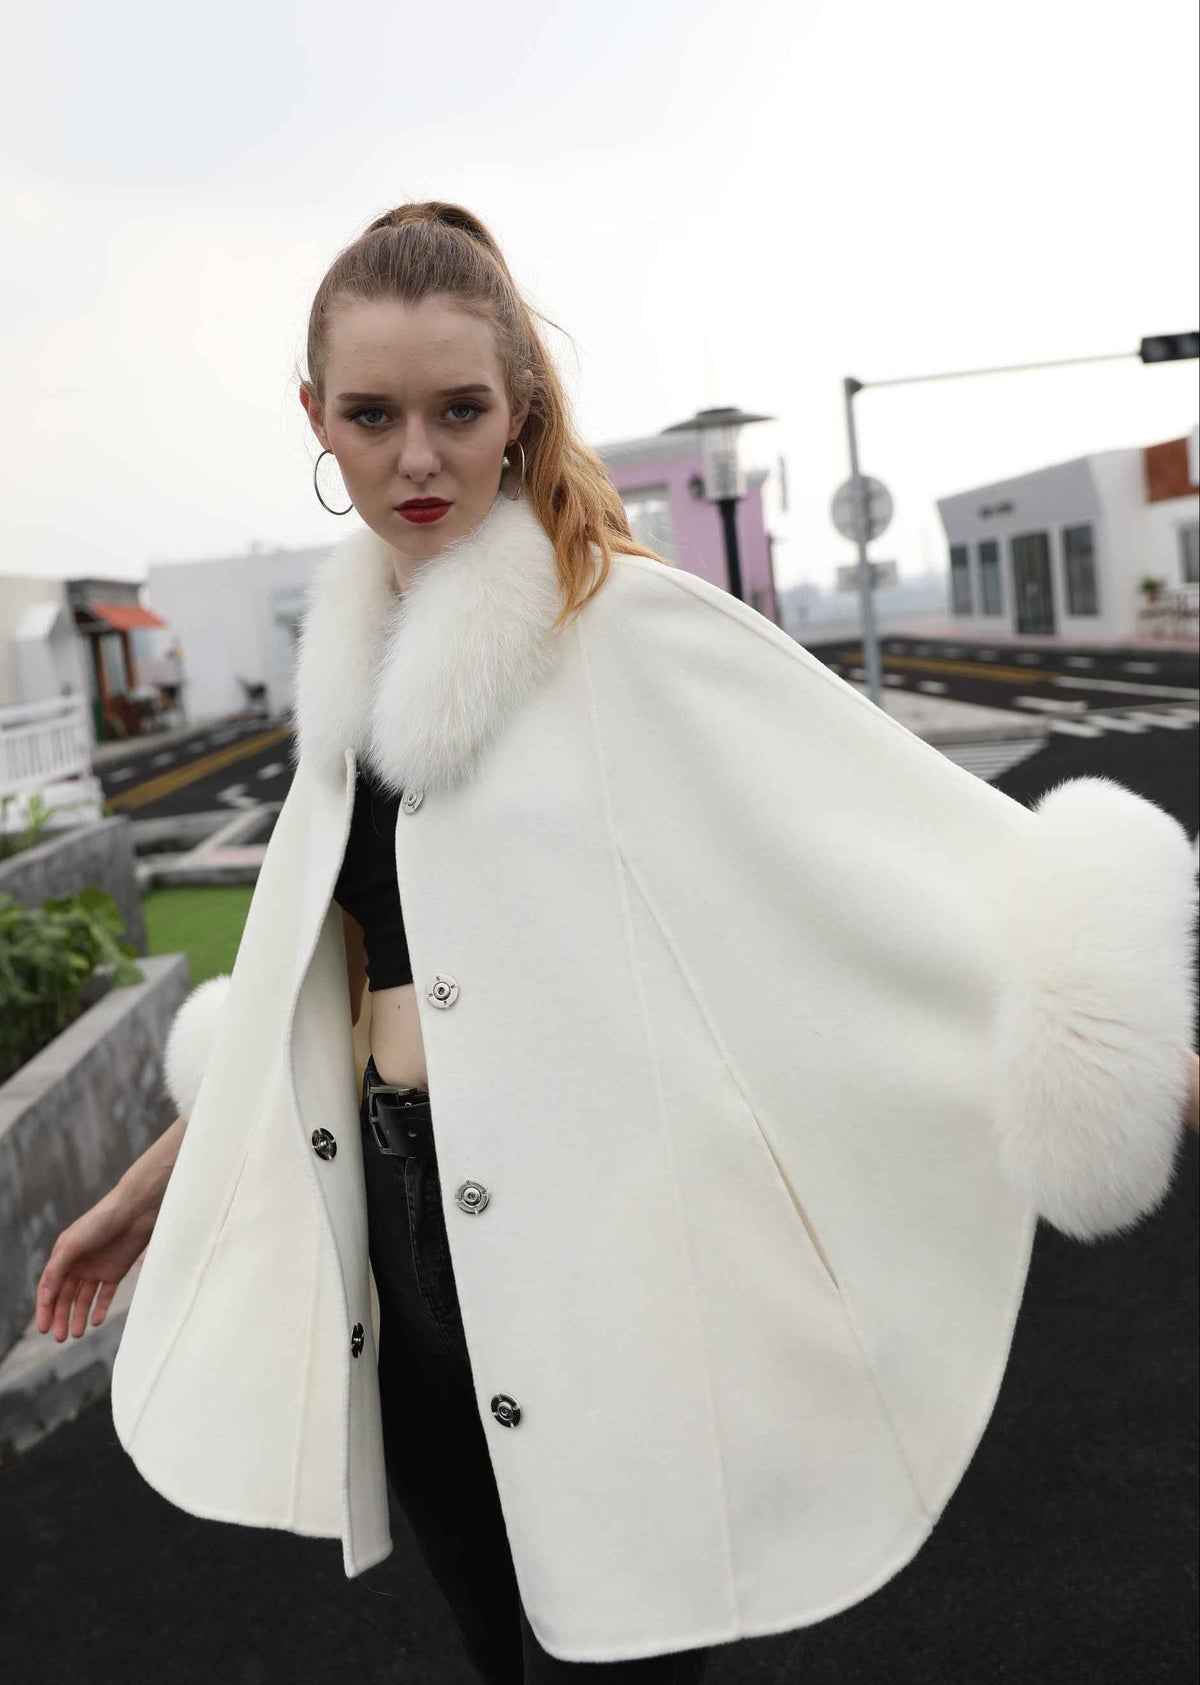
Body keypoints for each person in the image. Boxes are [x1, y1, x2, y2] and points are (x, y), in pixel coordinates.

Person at [35, 202, 1200, 1685]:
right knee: (497, 1646)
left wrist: (1148, 1058)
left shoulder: (628, 630)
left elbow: (920, 866)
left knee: (622, 1648)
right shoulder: (345, 685)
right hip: (397, 1257)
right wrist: (153, 1187)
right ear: (315, 417)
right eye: (372, 415)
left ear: (520, 407)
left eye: (459, 411)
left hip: (606, 1259)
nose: (417, 457)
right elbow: (313, 992)